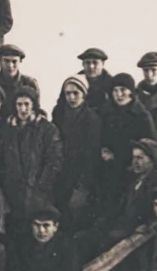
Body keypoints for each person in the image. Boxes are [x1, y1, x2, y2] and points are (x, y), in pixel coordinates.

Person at [75, 139, 157, 265]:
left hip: (134, 235)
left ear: (152, 160)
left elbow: (155, 215)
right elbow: (119, 208)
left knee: (100, 243)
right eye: (134, 157)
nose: (135, 162)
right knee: (81, 237)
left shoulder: (156, 184)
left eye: (140, 158)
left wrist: (146, 225)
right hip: (118, 227)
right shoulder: (134, 182)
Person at [0, 87, 63, 238]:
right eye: (19, 104)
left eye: (27, 104)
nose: (23, 109)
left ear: (34, 105)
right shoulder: (8, 130)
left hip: (39, 194)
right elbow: (1, 159)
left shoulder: (47, 129)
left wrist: (41, 187)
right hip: (13, 194)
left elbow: (54, 160)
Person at [96, 73, 156, 214]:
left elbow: (150, 145)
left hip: (131, 169)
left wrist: (132, 160)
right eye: (115, 91)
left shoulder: (142, 115)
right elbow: (99, 138)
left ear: (131, 92)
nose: (119, 94)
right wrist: (103, 149)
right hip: (108, 168)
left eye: (123, 90)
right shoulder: (105, 113)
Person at [51, 74, 102, 230]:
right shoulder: (58, 113)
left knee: (75, 218)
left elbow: (92, 155)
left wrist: (82, 187)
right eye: (68, 93)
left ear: (84, 95)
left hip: (80, 178)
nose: (72, 97)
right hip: (60, 175)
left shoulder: (92, 119)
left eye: (76, 93)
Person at [16, 204, 82, 271]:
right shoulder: (22, 244)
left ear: (55, 227)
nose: (41, 230)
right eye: (36, 225)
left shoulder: (66, 245)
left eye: (46, 225)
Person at [0, 44, 39, 118]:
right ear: (0, 61)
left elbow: (36, 110)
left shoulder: (29, 83)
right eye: (6, 61)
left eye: (14, 61)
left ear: (20, 61)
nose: (10, 65)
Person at [76, 48, 114, 114]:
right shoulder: (74, 83)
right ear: (83, 64)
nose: (91, 66)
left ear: (103, 64)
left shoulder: (112, 84)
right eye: (88, 63)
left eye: (95, 62)